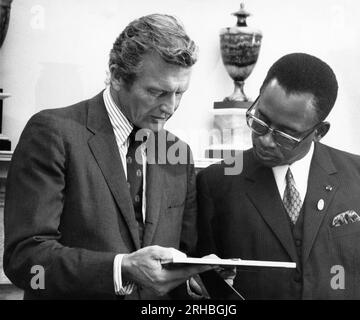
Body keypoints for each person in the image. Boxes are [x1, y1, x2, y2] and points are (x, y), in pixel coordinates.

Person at [3, 14, 213, 299]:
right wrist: (121, 269)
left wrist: (197, 278)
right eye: (157, 92)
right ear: (116, 75)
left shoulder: (178, 153)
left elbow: (181, 258)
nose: (170, 106)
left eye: (179, 93)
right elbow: (25, 259)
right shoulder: (52, 133)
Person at [196, 53, 360, 299]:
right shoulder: (216, 183)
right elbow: (202, 283)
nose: (266, 140)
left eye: (286, 135)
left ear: (319, 132)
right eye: (260, 120)